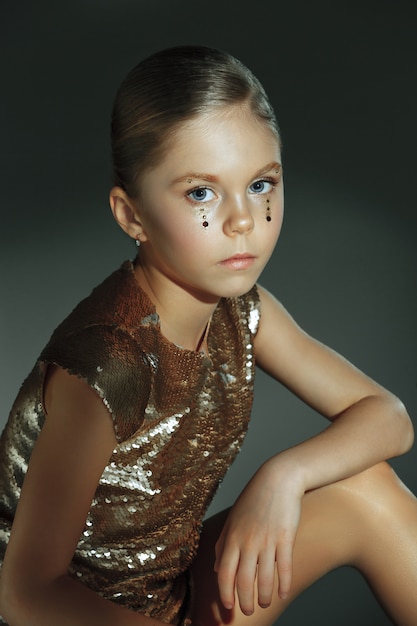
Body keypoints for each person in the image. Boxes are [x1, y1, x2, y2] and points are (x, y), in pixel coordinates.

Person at [0, 45, 416, 626]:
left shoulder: (242, 311)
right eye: (201, 192)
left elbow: (390, 417)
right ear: (131, 216)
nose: (242, 219)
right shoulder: (106, 364)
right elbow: (25, 596)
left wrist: (282, 477)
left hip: (176, 598)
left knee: (366, 488)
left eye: (261, 184)